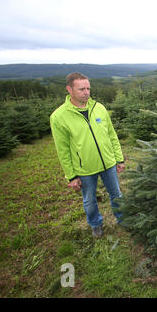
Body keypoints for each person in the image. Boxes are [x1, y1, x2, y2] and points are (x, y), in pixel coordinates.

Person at [50, 72, 125, 238]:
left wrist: (119, 159)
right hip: (84, 168)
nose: (86, 92)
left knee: (117, 194)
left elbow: (112, 135)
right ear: (69, 89)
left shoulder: (99, 108)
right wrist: (71, 176)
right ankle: (96, 224)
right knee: (90, 201)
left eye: (88, 88)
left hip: (108, 163)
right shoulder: (59, 116)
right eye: (81, 89)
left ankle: (122, 218)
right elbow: (62, 150)